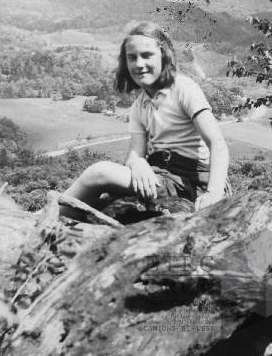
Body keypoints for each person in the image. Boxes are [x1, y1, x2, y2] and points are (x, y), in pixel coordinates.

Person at [59, 22, 230, 218]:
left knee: (98, 173)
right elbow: (135, 152)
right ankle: (53, 217)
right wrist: (138, 163)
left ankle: (39, 219)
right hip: (160, 175)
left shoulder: (183, 88)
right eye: (132, 58)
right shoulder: (139, 106)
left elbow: (217, 142)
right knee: (103, 200)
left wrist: (214, 192)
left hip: (190, 181)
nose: (139, 64)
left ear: (164, 56)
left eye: (147, 55)